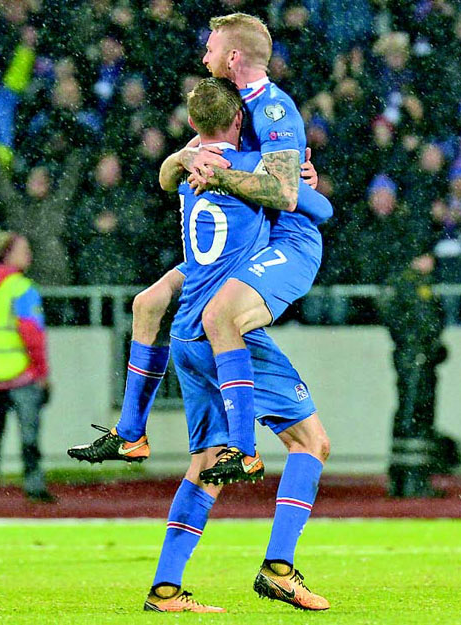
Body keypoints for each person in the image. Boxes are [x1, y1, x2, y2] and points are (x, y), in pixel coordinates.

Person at [68, 13, 323, 485]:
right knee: (147, 303)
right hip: (236, 245)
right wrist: (185, 157)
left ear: (233, 56)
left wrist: (223, 175)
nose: (204, 57)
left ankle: (243, 448)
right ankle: (130, 433)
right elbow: (167, 178)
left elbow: (289, 195)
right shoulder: (224, 104)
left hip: (280, 243)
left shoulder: (273, 110)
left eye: (210, 49)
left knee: (218, 318)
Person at [144, 77, 329, 612]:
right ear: (241, 119)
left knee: (204, 464)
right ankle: (278, 568)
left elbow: (166, 174)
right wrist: (301, 183)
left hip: (186, 329)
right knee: (310, 443)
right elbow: (309, 206)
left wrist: (183, 157)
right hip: (224, 331)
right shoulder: (249, 169)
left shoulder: (192, 168)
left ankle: (166, 588)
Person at [0, 232, 55, 503]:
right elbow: (33, 334)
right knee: (30, 438)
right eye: (23, 250)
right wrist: (42, 372)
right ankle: (34, 487)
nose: (29, 255)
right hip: (22, 375)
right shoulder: (21, 288)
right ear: (7, 254)